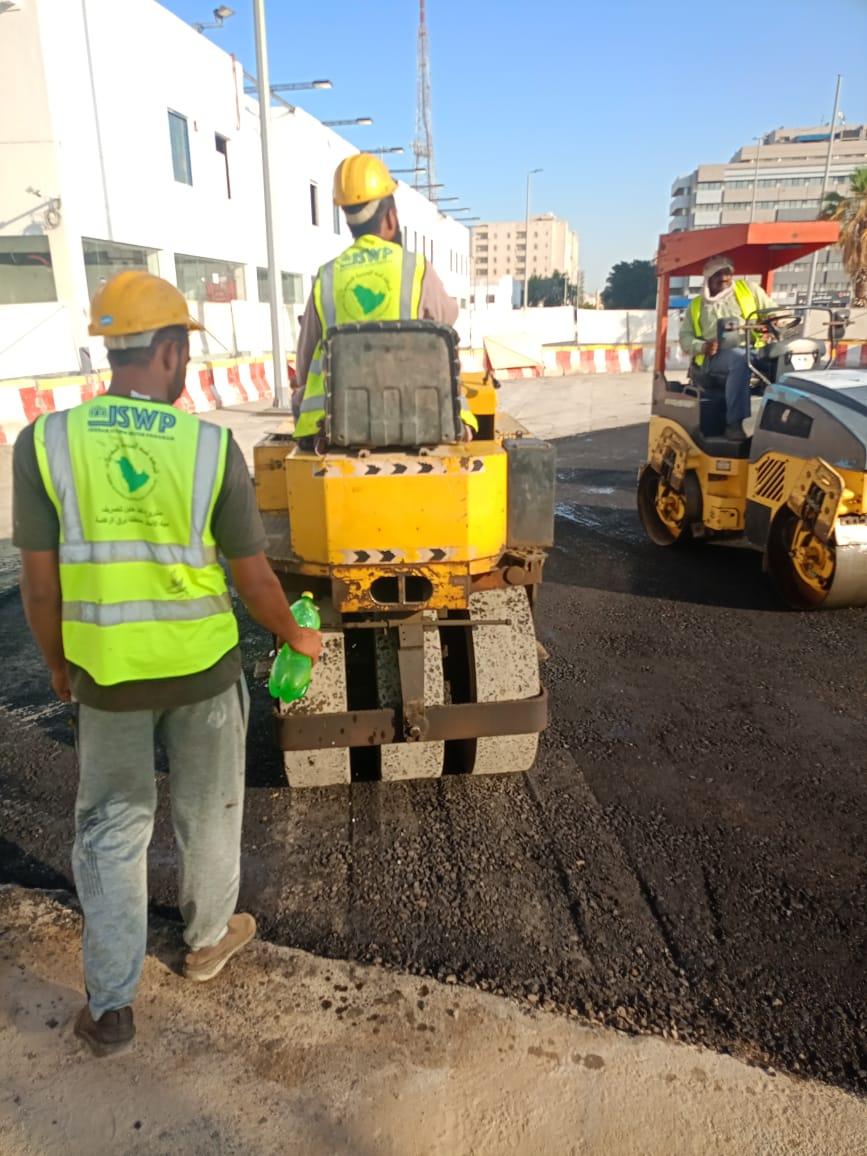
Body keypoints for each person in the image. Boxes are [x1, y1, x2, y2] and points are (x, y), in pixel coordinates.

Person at [12, 271, 322, 1057]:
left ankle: (112, 1008)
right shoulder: (210, 447)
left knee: (111, 831)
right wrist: (295, 634)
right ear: (173, 350)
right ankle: (207, 941)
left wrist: (59, 666)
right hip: (203, 671)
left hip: (107, 677)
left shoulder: (45, 442)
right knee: (208, 813)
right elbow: (253, 578)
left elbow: (40, 586)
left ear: (111, 348)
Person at [293, 152, 471, 440]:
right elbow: (446, 329)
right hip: (418, 423)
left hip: (334, 430)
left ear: (349, 222)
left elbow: (304, 367)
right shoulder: (415, 269)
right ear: (390, 218)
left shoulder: (326, 277)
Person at [679, 255, 774, 439]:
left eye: (727, 273)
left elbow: (774, 312)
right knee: (740, 360)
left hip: (756, 349)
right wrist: (702, 346)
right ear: (708, 278)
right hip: (715, 358)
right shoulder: (697, 305)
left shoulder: (749, 290)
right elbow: (685, 338)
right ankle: (734, 424)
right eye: (717, 274)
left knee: (787, 357)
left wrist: (771, 324)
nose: (724, 278)